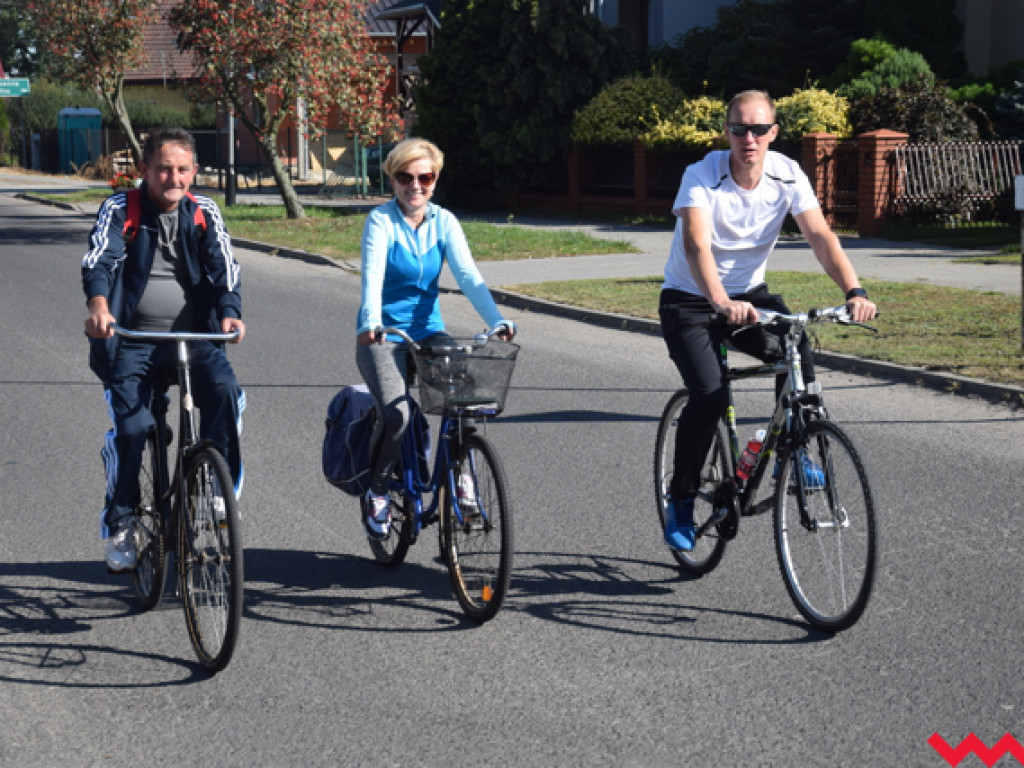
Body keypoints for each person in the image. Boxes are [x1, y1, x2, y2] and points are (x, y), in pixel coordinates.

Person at [659, 90, 877, 552]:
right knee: (710, 395)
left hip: (749, 298)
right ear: (727, 132)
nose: (749, 138)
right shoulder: (701, 175)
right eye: (739, 128)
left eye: (759, 129)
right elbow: (698, 245)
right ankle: (680, 498)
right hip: (690, 299)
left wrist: (854, 291)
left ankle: (790, 458)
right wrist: (718, 300)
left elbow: (819, 235)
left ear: (774, 133)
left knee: (796, 345)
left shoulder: (787, 174)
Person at [83, 126, 246, 572]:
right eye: (164, 169)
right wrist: (100, 308)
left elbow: (224, 266)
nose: (174, 178)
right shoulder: (122, 208)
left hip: (193, 339)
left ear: (194, 171)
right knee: (134, 429)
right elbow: (101, 260)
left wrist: (230, 310)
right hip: (132, 340)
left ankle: (215, 482)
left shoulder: (203, 210)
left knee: (225, 390)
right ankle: (121, 520)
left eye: (183, 169)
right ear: (145, 171)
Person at [356, 137, 515, 540]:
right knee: (399, 413)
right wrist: (371, 322)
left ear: (435, 178)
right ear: (392, 179)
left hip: (428, 331)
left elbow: (468, 276)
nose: (415, 186)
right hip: (383, 335)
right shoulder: (381, 222)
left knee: (463, 405)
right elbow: (372, 276)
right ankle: (377, 490)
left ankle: (462, 479)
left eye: (424, 177)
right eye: (405, 177)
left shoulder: (444, 222)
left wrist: (496, 319)